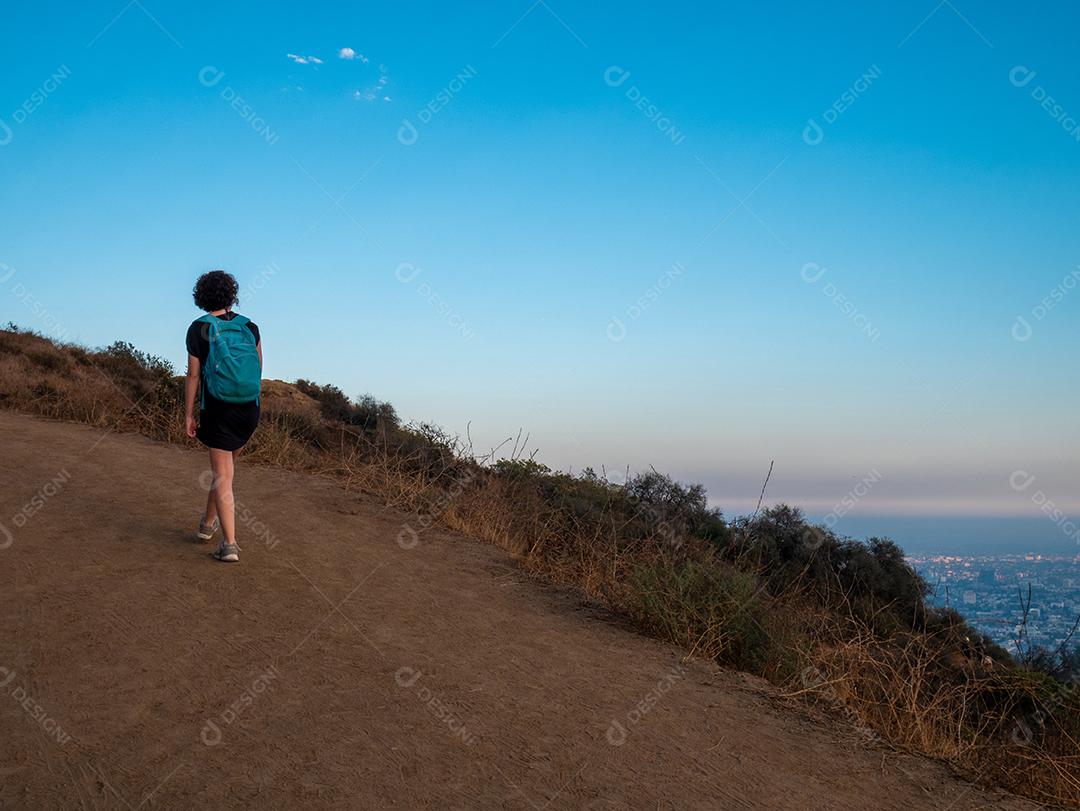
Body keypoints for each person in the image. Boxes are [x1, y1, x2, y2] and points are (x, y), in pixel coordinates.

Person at [184, 270, 262, 563]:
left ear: (201, 296)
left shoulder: (198, 328)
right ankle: (207, 525)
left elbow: (193, 375)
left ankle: (229, 544)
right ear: (232, 295)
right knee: (225, 472)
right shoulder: (250, 326)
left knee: (222, 476)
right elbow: (259, 370)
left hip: (218, 408)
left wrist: (188, 415)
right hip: (248, 409)